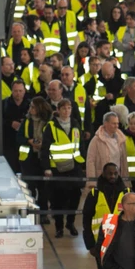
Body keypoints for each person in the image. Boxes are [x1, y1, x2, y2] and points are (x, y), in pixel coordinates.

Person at [82, 163, 129, 269]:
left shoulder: (126, 194)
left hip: (122, 249)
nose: (113, 176)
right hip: (101, 249)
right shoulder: (94, 194)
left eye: (116, 173)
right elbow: (86, 221)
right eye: (109, 173)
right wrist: (90, 245)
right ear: (103, 173)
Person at [41, 99, 85, 238]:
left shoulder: (76, 124)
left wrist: (82, 163)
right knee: (57, 199)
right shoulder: (51, 126)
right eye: (64, 108)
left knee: (75, 195)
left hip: (74, 166)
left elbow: (80, 144)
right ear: (58, 110)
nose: (67, 111)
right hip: (57, 168)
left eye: (69, 108)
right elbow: (45, 149)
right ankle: (59, 226)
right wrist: (47, 168)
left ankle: (70, 223)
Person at [86, 112, 128, 185]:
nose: (116, 126)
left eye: (117, 123)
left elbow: (124, 162)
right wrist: (91, 181)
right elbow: (90, 161)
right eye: (113, 123)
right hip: (102, 180)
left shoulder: (121, 140)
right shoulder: (96, 140)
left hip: (118, 179)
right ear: (105, 123)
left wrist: (126, 181)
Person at [2, 81, 30, 173]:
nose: (18, 93)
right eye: (16, 91)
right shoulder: (4, 104)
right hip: (9, 141)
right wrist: (10, 123)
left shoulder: (30, 105)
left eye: (20, 91)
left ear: (24, 91)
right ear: (12, 91)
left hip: (24, 143)